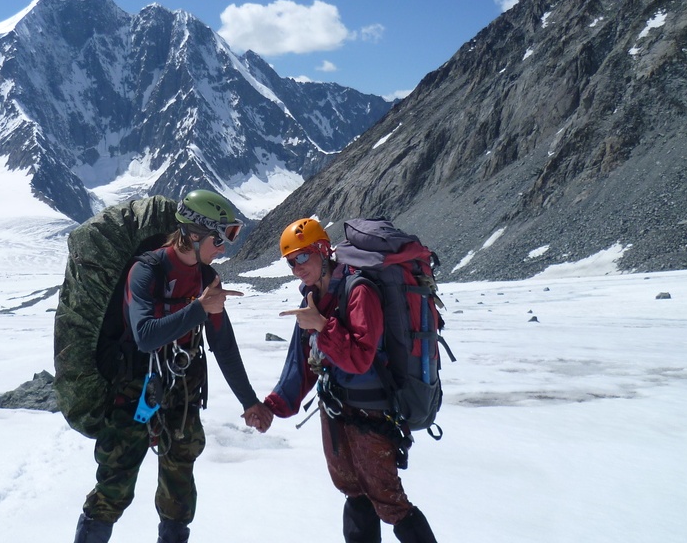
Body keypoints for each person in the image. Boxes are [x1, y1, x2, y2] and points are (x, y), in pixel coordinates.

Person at [74, 189, 274, 543]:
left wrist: (249, 402)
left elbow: (223, 347)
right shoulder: (146, 270)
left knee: (178, 495)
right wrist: (199, 309)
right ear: (194, 235)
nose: (224, 246)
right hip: (134, 388)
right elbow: (145, 336)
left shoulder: (207, 279)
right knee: (114, 488)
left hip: (182, 390)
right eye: (220, 236)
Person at [261, 218, 439, 543]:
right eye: (291, 262)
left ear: (322, 250)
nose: (298, 267)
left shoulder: (360, 290)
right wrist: (274, 406)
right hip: (336, 410)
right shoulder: (314, 298)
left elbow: (360, 358)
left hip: (371, 414)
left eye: (303, 256)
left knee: (389, 502)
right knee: (354, 493)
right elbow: (302, 363)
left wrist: (321, 326)